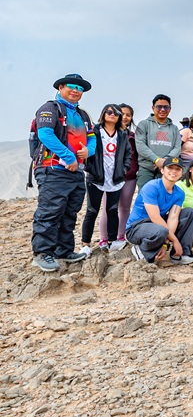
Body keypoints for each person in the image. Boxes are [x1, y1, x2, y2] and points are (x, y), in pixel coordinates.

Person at [30, 73, 96, 271]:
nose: (76, 90)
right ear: (60, 87)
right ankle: (42, 253)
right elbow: (45, 134)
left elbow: (91, 138)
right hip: (53, 169)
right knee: (50, 211)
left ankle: (64, 251)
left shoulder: (83, 115)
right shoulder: (50, 108)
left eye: (80, 88)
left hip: (76, 172)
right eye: (72, 86)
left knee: (69, 212)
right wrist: (69, 158)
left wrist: (88, 151)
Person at [124, 156, 193, 264]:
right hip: (136, 227)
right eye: (170, 168)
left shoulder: (179, 193)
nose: (173, 171)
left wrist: (165, 244)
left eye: (177, 169)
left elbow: (173, 218)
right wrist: (175, 240)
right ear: (162, 170)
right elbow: (155, 217)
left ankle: (180, 254)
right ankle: (142, 249)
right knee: (162, 230)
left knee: (189, 213)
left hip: (156, 226)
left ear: (181, 173)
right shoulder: (152, 186)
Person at [81, 104, 133, 254]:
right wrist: (89, 167)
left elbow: (127, 154)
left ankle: (111, 241)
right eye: (109, 111)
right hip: (96, 177)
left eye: (116, 113)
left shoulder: (122, 134)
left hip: (115, 178)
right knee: (92, 210)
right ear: (103, 113)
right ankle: (85, 244)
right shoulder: (94, 131)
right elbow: (86, 148)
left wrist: (124, 169)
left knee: (112, 210)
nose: (112, 114)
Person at [99, 103, 138, 252]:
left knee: (125, 208)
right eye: (122, 114)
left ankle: (120, 237)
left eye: (129, 115)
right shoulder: (104, 133)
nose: (125, 117)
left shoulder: (132, 137)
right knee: (108, 209)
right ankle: (104, 238)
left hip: (129, 177)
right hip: (108, 178)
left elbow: (135, 156)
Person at [134, 94, 181, 189]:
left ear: (170, 109)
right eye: (159, 107)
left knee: (163, 199)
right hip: (146, 168)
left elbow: (177, 148)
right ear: (153, 108)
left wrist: (164, 162)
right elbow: (140, 145)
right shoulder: (144, 124)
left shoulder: (174, 128)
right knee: (144, 198)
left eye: (166, 107)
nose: (162, 109)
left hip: (166, 170)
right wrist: (156, 160)